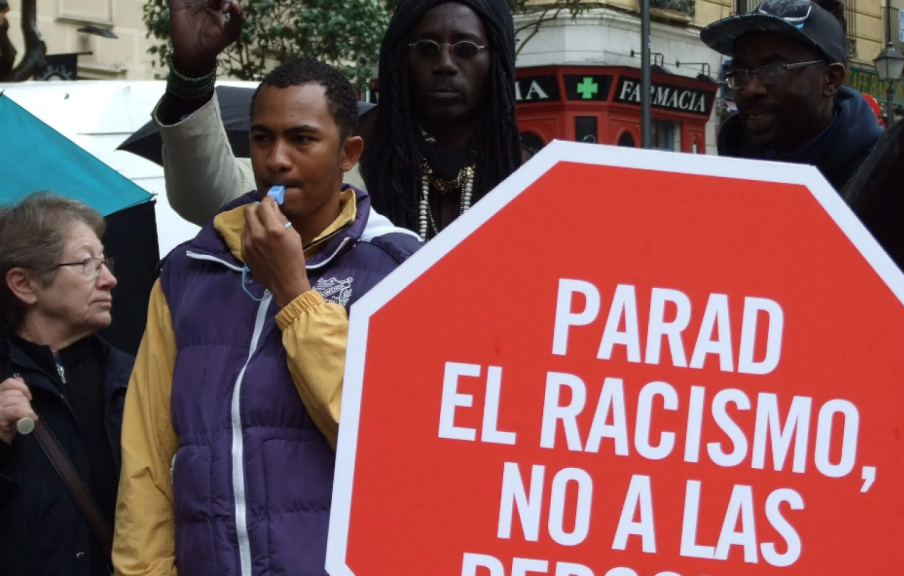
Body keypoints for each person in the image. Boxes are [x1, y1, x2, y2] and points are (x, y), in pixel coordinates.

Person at [113, 57, 421, 576]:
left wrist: (293, 291)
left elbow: (384, 444)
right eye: (261, 139)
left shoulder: (397, 265)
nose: (276, 160)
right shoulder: (189, 272)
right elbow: (147, 458)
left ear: (348, 153)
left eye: (302, 140)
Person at [155, 0, 524, 240]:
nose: (444, 64)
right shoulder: (346, 156)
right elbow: (210, 196)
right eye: (426, 48)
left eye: (465, 49)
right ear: (400, 60)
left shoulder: (532, 175)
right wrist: (194, 71)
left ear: (497, 62)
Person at [0, 192, 132, 576]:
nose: (110, 279)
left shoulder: (132, 379)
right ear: (24, 284)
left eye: (104, 262)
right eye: (87, 263)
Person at [700, 0, 883, 192]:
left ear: (830, 79)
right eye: (740, 73)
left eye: (773, 70)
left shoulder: (886, 178)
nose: (750, 89)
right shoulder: (724, 181)